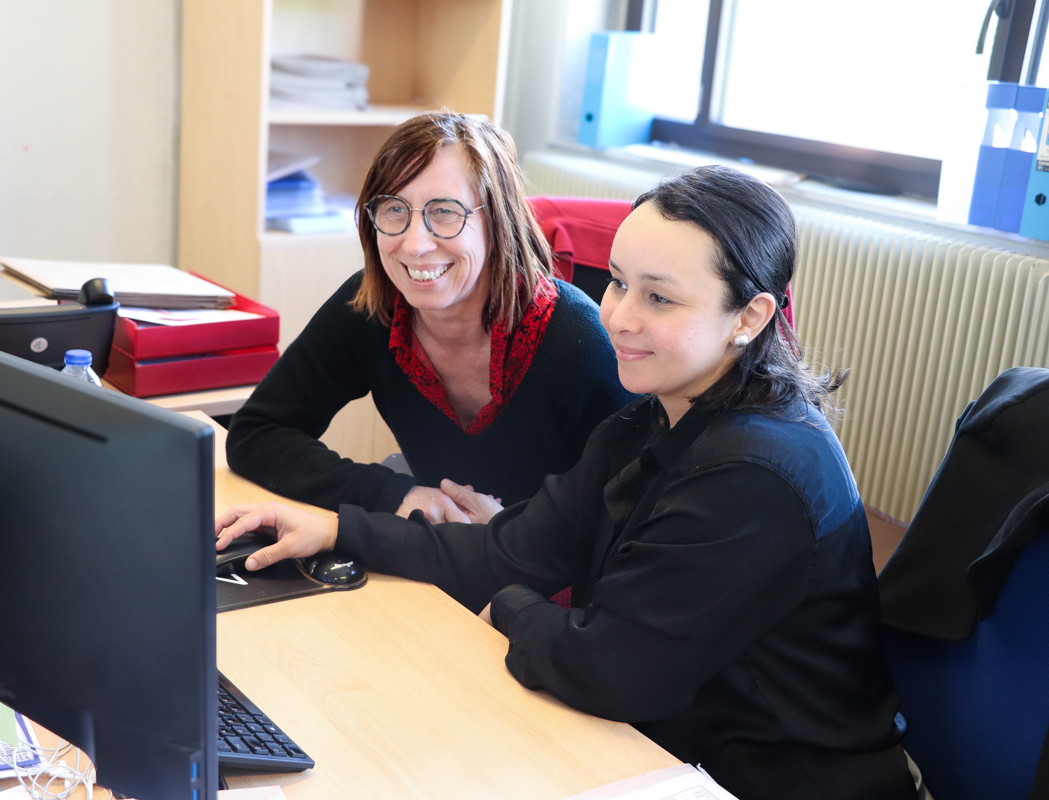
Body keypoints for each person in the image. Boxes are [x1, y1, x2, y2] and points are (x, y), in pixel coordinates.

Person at [216, 165, 919, 800]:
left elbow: (610, 668)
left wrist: (516, 609)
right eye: (617, 282)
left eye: (660, 299)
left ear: (751, 317)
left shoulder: (757, 474)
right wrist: (341, 528)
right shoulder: (655, 416)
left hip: (769, 780)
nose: (618, 316)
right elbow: (506, 549)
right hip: (669, 750)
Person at [225, 111, 633, 524]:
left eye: (444, 212)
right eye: (394, 209)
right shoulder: (374, 307)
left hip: (549, 581)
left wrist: (508, 536)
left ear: (496, 222)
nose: (415, 244)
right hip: (437, 558)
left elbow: (633, 520)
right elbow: (257, 433)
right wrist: (391, 494)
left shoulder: (577, 344)